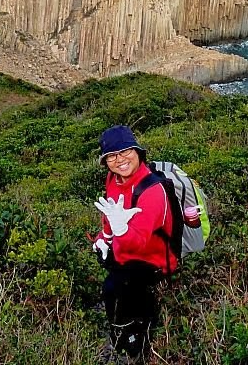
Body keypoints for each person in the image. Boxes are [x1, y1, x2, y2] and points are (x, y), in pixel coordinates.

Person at [92, 125, 177, 361]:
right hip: (125, 248)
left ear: (138, 152)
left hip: (153, 257)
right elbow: (111, 213)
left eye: (125, 151)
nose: (119, 160)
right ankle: (123, 333)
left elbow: (138, 243)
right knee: (114, 286)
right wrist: (105, 238)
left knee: (117, 289)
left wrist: (121, 231)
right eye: (111, 156)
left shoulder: (152, 191)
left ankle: (136, 344)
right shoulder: (113, 179)